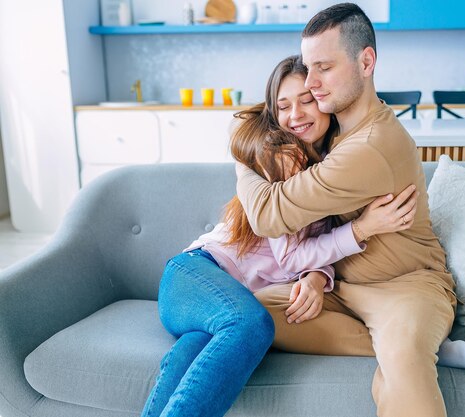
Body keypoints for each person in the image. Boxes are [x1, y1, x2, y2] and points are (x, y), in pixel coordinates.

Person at [235, 4, 465, 417]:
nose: (312, 84)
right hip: (343, 292)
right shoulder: (332, 128)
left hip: (406, 287)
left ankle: (409, 341)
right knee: (249, 312)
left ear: (365, 61)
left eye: (323, 68)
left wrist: (239, 158)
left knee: (403, 359)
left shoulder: (371, 146)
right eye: (308, 68)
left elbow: (269, 214)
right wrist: (316, 278)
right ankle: (418, 343)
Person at [140, 61, 419, 417]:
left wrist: (318, 277)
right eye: (284, 106)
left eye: (306, 101)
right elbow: (289, 256)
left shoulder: (339, 165)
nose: (296, 115)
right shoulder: (279, 157)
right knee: (252, 324)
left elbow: (310, 251)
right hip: (195, 274)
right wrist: (361, 229)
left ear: (326, 99)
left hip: (221, 301)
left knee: (195, 350)